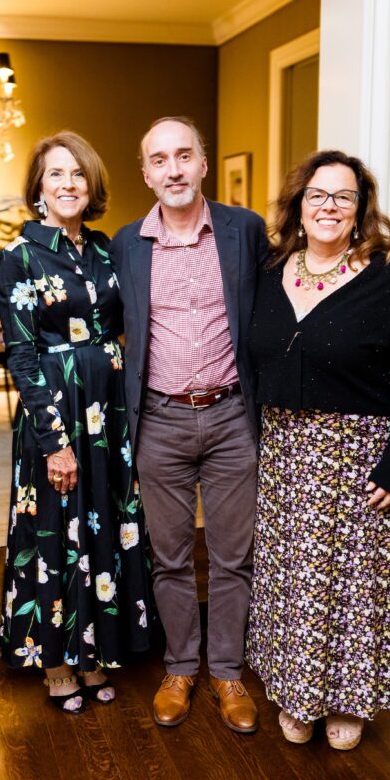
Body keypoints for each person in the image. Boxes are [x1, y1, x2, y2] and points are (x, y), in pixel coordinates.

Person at [246, 149, 390, 751]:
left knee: (350, 588)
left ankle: (348, 701)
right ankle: (299, 694)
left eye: (343, 197)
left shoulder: (385, 283)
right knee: (296, 580)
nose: (329, 207)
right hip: (286, 452)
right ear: (300, 204)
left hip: (359, 454)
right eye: (318, 195)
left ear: (359, 210)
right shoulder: (271, 271)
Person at [111, 116, 268, 732]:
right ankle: (181, 667)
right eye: (159, 160)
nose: (172, 170)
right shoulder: (125, 243)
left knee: (233, 556)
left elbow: (283, 308)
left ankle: (227, 672)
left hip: (232, 416)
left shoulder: (244, 230)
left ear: (204, 163)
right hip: (159, 420)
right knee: (169, 556)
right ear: (145, 173)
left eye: (183, 156)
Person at [0, 131, 152, 713]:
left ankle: (96, 653)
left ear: (92, 186)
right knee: (56, 532)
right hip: (57, 415)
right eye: (56, 174)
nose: (68, 184)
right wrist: (53, 441)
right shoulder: (18, 256)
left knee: (102, 525)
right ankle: (57, 659)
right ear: (38, 187)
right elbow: (21, 353)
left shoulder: (109, 250)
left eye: (78, 174)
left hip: (107, 415)